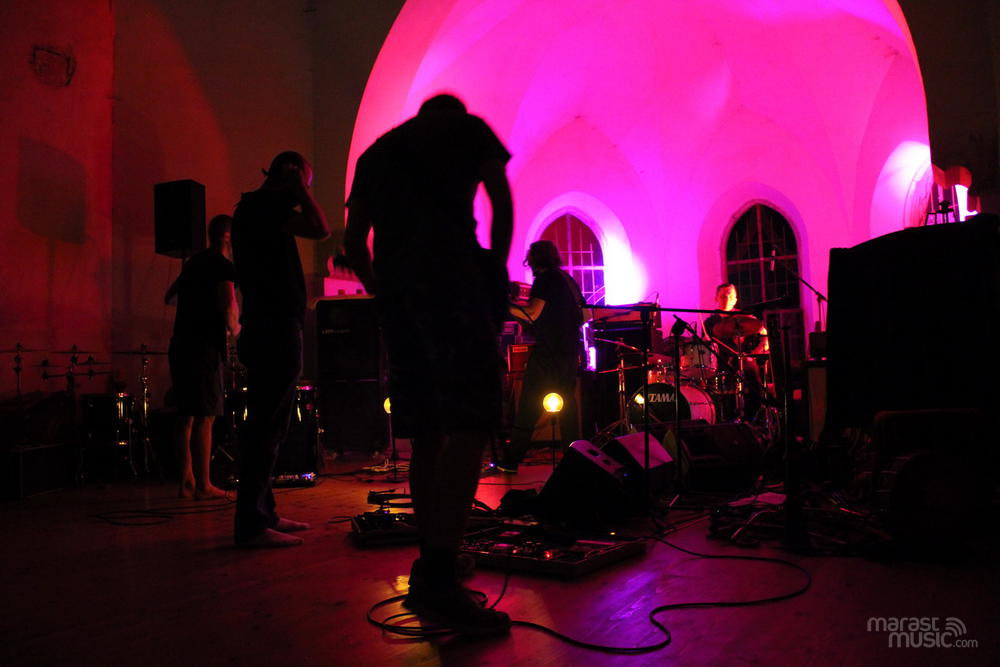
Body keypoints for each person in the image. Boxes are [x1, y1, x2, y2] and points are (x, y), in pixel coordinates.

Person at [344, 93, 513, 636]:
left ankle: (432, 558)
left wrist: (384, 293)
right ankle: (440, 576)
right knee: (470, 423)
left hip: (401, 299)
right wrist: (494, 269)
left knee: (427, 434)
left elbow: (353, 242)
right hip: (454, 286)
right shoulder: (467, 128)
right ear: (452, 113)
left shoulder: (376, 151)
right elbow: (501, 201)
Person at [230, 151, 330, 547]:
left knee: (270, 425)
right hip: (273, 328)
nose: (305, 192)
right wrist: (299, 187)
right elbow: (320, 229)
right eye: (306, 182)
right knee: (266, 425)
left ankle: (263, 514)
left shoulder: (258, 210)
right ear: (291, 176)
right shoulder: (262, 208)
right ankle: (252, 524)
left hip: (269, 326)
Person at [165, 214, 240, 500]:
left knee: (185, 414)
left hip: (180, 345)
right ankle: (204, 485)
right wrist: (235, 328)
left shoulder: (194, 263)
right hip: (204, 348)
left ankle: (186, 481)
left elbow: (170, 296)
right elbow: (228, 305)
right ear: (227, 237)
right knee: (206, 416)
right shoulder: (222, 265)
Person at [500, 240, 583, 472]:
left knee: (529, 405)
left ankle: (511, 461)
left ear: (534, 261)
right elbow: (585, 315)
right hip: (569, 353)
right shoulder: (568, 280)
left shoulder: (545, 280)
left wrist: (504, 306)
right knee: (567, 407)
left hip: (548, 354)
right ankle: (575, 460)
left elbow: (532, 314)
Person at [704, 283, 769, 421]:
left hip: (745, 361)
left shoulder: (746, 318)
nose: (727, 299)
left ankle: (751, 420)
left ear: (735, 299)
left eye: (730, 296)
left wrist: (753, 354)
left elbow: (766, 338)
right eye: (723, 296)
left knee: (755, 386)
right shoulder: (710, 322)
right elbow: (705, 347)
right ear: (716, 298)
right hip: (719, 363)